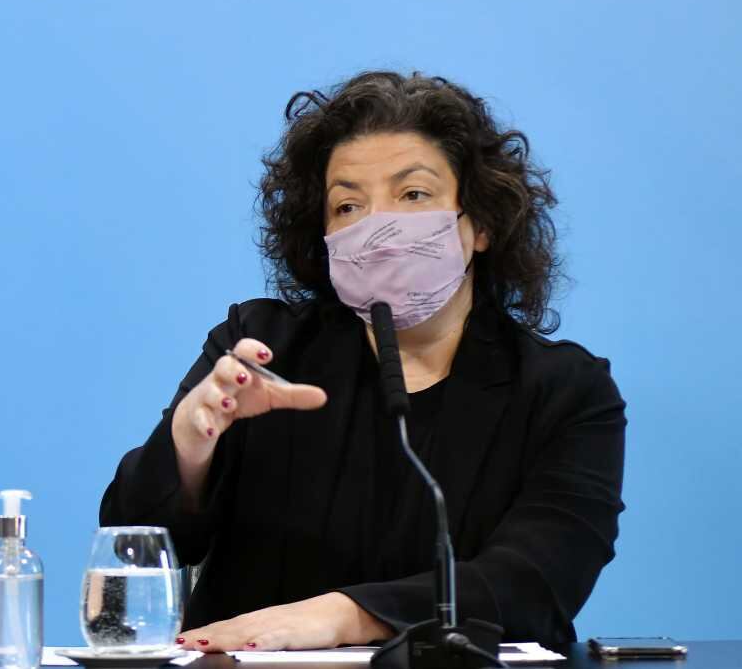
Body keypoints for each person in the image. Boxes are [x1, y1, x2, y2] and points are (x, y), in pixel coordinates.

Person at [99, 71, 626, 652]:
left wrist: (344, 616)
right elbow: (132, 546)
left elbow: (537, 584)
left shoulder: (564, 390)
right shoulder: (262, 347)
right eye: (348, 205)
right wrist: (187, 447)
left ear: (480, 223)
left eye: (413, 195)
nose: (378, 228)